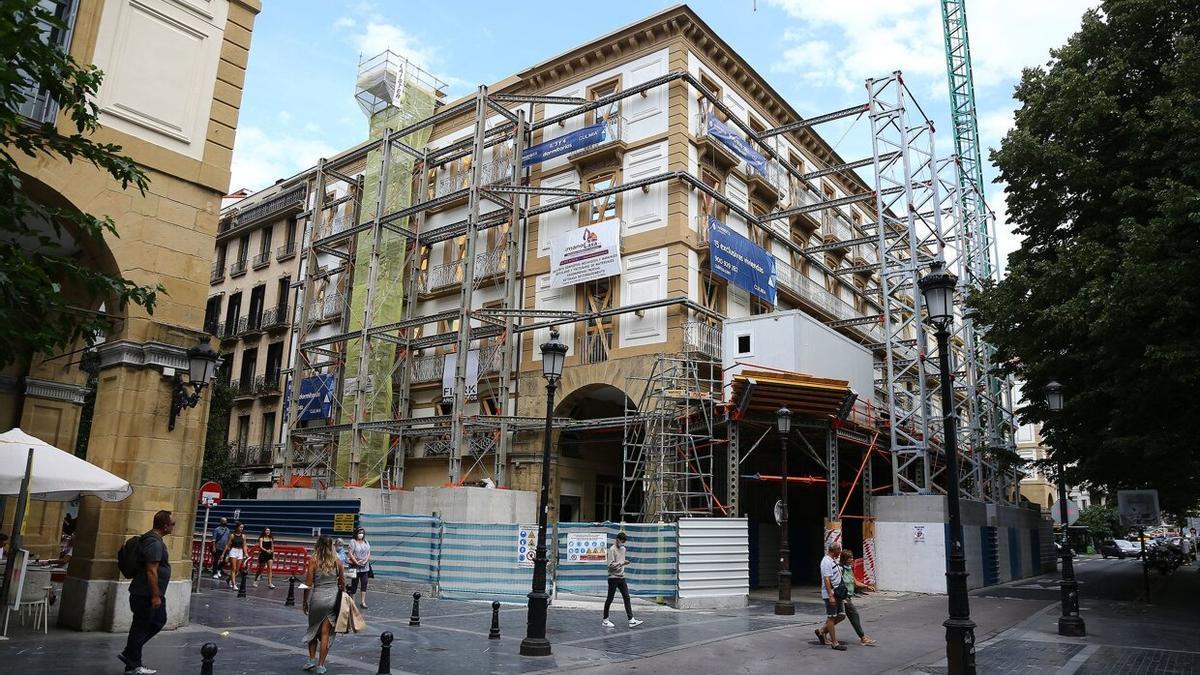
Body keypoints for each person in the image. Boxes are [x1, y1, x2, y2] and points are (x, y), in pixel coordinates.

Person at [118, 510, 175, 675]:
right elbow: (152, 570)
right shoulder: (154, 543)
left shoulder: (151, 539)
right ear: (165, 526)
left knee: (143, 626)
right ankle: (131, 657)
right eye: (172, 524)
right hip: (146, 594)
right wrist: (156, 595)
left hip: (143, 592)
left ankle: (131, 660)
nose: (174, 527)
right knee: (151, 623)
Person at [302, 535, 345, 674]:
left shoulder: (313, 561)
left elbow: (308, 584)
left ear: (318, 545)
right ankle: (321, 665)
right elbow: (342, 583)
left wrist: (304, 601)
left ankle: (311, 660)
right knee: (326, 632)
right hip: (332, 599)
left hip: (317, 599)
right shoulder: (337, 561)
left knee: (313, 629)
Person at [602, 532, 643, 628]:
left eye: (624, 542)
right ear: (617, 539)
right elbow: (610, 565)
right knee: (610, 598)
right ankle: (605, 620)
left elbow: (621, 562)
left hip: (621, 577)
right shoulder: (612, 549)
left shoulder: (623, 549)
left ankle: (631, 620)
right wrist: (621, 563)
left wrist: (624, 563)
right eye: (621, 541)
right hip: (613, 577)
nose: (622, 544)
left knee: (626, 597)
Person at [839, 549, 876, 646]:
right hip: (844, 597)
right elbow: (837, 583)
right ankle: (863, 638)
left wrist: (867, 586)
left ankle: (822, 630)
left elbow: (855, 583)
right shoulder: (840, 569)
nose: (851, 559)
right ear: (844, 559)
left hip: (849, 597)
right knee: (854, 615)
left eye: (851, 557)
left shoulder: (849, 569)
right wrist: (841, 597)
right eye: (849, 558)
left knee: (837, 618)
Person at [815, 541, 847, 651]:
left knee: (841, 615)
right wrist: (830, 595)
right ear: (834, 550)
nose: (840, 552)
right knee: (831, 617)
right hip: (831, 594)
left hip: (838, 593)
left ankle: (822, 631)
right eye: (839, 550)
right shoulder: (826, 562)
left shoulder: (833, 560)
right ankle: (834, 643)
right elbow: (827, 579)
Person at [346, 527, 371, 609]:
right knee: (354, 584)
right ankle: (352, 601)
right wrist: (356, 562)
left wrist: (365, 561)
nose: (361, 534)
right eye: (359, 533)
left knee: (364, 583)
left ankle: (363, 602)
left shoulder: (366, 541)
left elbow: (368, 552)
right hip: (355, 566)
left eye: (362, 533)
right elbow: (350, 553)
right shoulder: (352, 542)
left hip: (365, 567)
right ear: (356, 533)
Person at [222, 522, 247, 589]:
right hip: (233, 551)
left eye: (242, 527)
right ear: (237, 527)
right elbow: (227, 545)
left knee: (237, 570)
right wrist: (223, 554)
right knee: (233, 568)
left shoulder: (243, 536)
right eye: (240, 527)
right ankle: (234, 584)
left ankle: (228, 579)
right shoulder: (232, 535)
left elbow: (244, 545)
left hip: (240, 551)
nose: (241, 528)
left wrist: (246, 553)